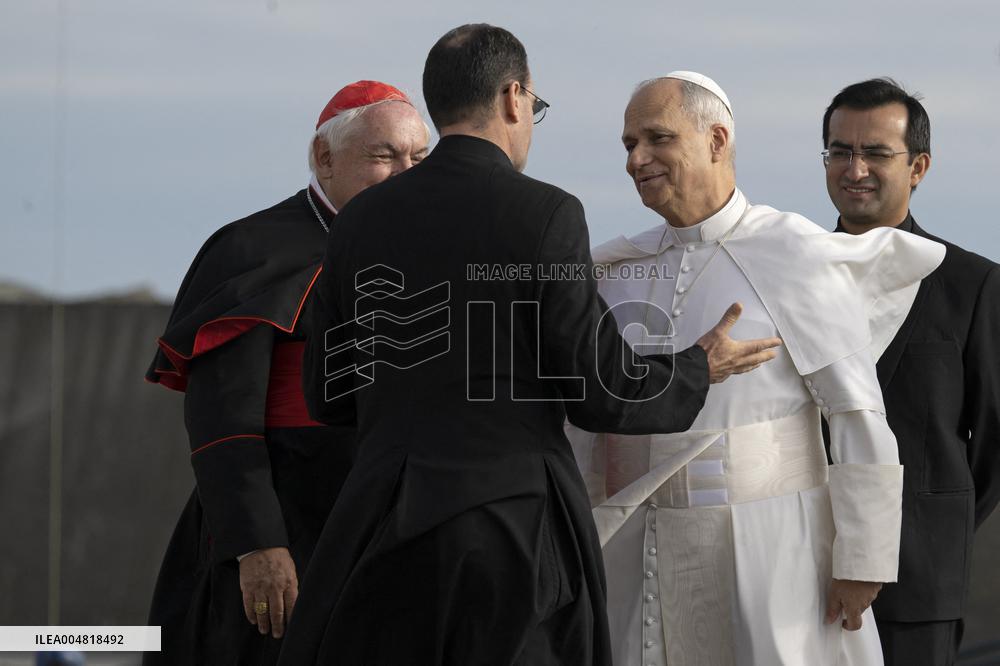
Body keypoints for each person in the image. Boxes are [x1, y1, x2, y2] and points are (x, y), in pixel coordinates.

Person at [279, 26, 781, 666]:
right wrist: (693, 368)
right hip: (510, 530)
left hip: (381, 525)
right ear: (514, 97)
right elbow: (599, 391)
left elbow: (327, 394)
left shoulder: (359, 222)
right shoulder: (546, 214)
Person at [567, 72, 945, 665]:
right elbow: (586, 428)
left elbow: (856, 414)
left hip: (771, 556)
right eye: (628, 144)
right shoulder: (613, 268)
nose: (637, 159)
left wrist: (862, 561)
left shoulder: (795, 253)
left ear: (717, 140)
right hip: (633, 550)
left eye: (657, 138)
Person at [143, 80, 430, 666]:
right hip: (284, 528)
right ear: (324, 158)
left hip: (381, 529)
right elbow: (222, 418)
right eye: (384, 156)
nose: (407, 174)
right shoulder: (251, 248)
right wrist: (257, 545)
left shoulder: (423, 250)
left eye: (418, 158)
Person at [822, 77, 1000, 666]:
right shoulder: (787, 277)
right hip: (797, 569)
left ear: (918, 165)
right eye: (840, 151)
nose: (855, 169)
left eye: (876, 152)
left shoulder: (974, 284)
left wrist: (928, 524)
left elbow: (992, 446)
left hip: (919, 581)